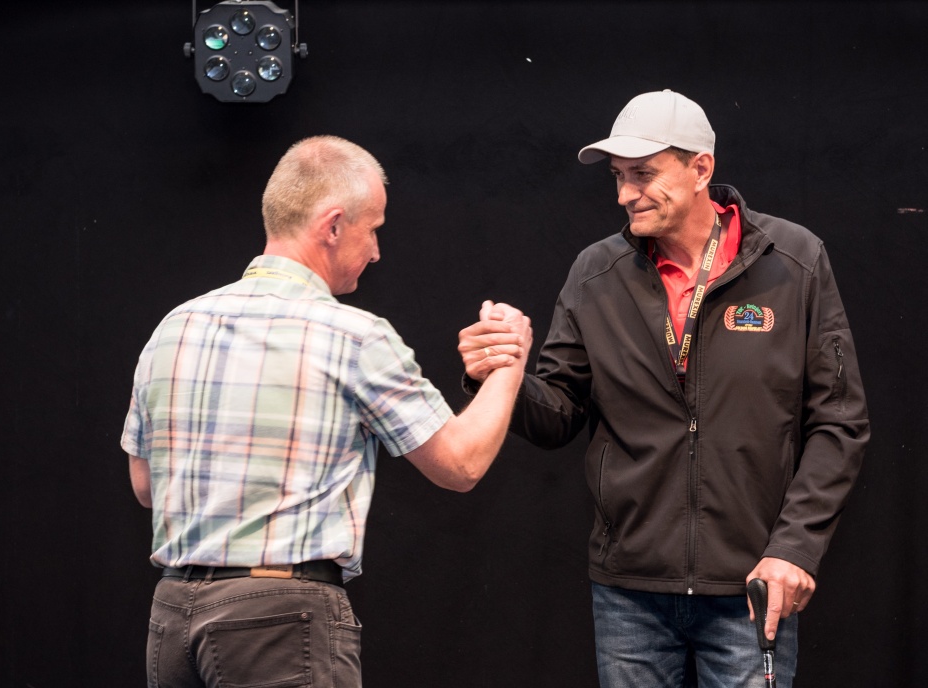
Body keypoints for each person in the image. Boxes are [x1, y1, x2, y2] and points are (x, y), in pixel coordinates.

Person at [459, 90, 869, 687]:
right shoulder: (595, 274)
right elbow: (558, 413)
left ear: (701, 168)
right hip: (630, 593)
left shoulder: (794, 261)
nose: (625, 194)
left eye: (643, 174)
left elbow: (839, 421)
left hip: (753, 585)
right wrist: (500, 376)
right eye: (618, 176)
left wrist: (795, 548)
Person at [121, 135, 531, 688]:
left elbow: (145, 486)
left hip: (172, 617)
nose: (377, 251)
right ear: (333, 225)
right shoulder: (352, 336)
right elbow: (460, 464)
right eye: (374, 229)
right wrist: (509, 362)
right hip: (279, 621)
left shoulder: (175, 326)